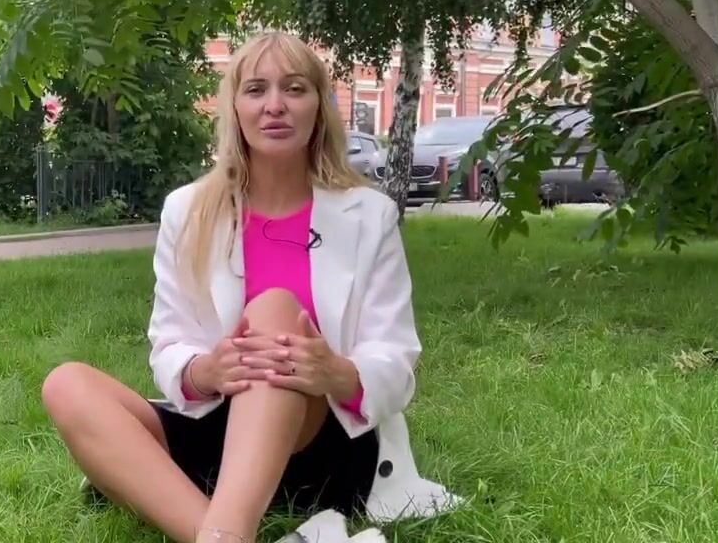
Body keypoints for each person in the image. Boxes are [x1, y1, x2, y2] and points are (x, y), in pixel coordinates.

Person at [41, 32, 460, 543]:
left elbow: (396, 356)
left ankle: (223, 532)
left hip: (324, 445)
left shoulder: (370, 216)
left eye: (295, 89)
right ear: (235, 107)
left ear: (319, 106)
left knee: (274, 312)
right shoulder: (187, 210)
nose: (275, 105)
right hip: (218, 434)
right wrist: (206, 370)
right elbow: (169, 342)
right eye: (257, 89)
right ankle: (223, 532)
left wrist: (336, 371)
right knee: (66, 384)